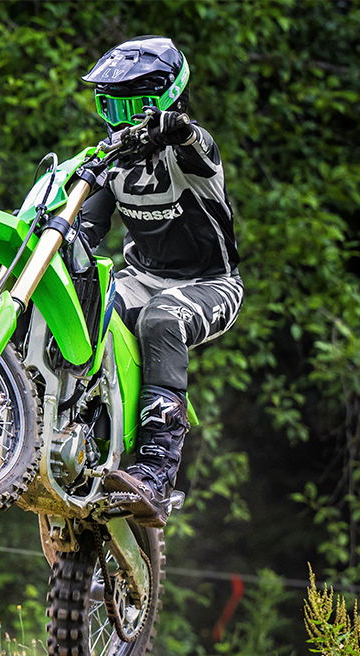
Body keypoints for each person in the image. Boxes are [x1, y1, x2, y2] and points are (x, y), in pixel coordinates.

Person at [76, 35, 243, 527]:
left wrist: (179, 129)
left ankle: (156, 473)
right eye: (114, 105)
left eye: (136, 104)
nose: (125, 119)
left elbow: (197, 145)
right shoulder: (112, 159)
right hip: (142, 276)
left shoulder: (192, 146)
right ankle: (60, 427)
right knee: (88, 305)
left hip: (210, 284)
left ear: (165, 99)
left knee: (160, 321)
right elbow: (86, 228)